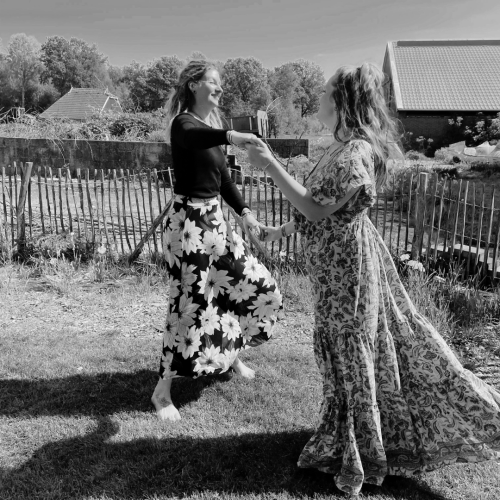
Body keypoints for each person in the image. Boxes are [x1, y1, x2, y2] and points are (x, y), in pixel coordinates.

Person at [246, 63, 500, 496]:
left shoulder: (356, 152)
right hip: (332, 273)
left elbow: (315, 208)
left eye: (326, 91)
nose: (319, 97)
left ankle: (366, 449)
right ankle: (346, 436)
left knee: (354, 354)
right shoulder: (335, 148)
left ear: (344, 102)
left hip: (349, 275)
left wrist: (270, 163)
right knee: (342, 355)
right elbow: (324, 210)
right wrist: (281, 231)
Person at [151, 60, 282, 423]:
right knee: (190, 304)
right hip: (187, 225)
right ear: (194, 86)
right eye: (213, 83)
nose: (220, 89)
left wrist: (246, 213)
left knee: (252, 285)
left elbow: (223, 179)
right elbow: (194, 137)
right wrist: (231, 135)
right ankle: (162, 391)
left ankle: (230, 356)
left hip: (215, 221)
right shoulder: (185, 125)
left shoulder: (211, 128)